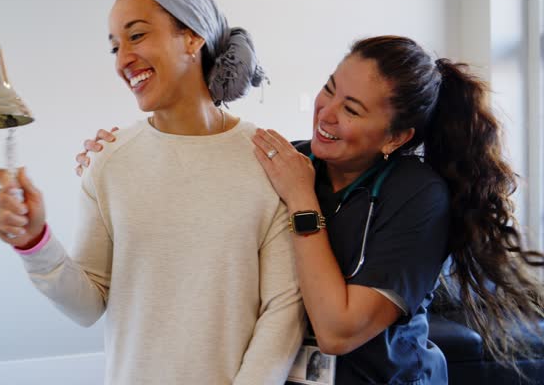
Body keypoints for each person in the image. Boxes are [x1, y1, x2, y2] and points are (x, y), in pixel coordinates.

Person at [77, 35, 544, 384]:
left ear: (395, 138)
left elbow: (338, 331)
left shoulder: (418, 197)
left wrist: (302, 201)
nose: (325, 112)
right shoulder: (289, 158)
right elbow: (194, 181)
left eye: (353, 109)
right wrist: (112, 162)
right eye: (329, 88)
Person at [0, 0, 304, 385]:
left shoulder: (267, 160)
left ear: (192, 38)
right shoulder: (110, 162)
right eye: (115, 47)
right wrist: (33, 242)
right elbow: (87, 306)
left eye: (136, 36)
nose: (123, 60)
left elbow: (283, 309)